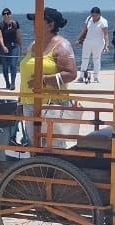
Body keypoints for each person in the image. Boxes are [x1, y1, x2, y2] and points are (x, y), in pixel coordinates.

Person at [19, 8, 78, 148]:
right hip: (29, 102)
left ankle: (57, 170)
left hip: (52, 104)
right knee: (34, 145)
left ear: (50, 25)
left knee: (54, 146)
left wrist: (44, 80)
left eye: (37, 21)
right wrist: (20, 101)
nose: (33, 23)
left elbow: (71, 73)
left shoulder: (61, 45)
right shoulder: (33, 44)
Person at [75, 6, 109, 83]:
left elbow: (106, 34)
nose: (94, 17)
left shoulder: (103, 22)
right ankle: (81, 77)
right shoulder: (88, 19)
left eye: (96, 15)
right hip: (87, 42)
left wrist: (106, 46)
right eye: (93, 15)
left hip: (98, 43)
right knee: (84, 59)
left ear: (99, 14)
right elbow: (84, 30)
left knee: (96, 60)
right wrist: (78, 39)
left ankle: (96, 77)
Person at [0, 8, 21, 90]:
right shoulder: (0, 25)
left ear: (10, 14)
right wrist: (3, 46)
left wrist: (20, 47)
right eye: (4, 14)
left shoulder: (15, 24)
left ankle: (13, 83)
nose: (6, 15)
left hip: (14, 46)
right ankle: (7, 83)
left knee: (13, 65)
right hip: (4, 46)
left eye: (8, 13)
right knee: (5, 66)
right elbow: (0, 37)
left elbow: (18, 36)